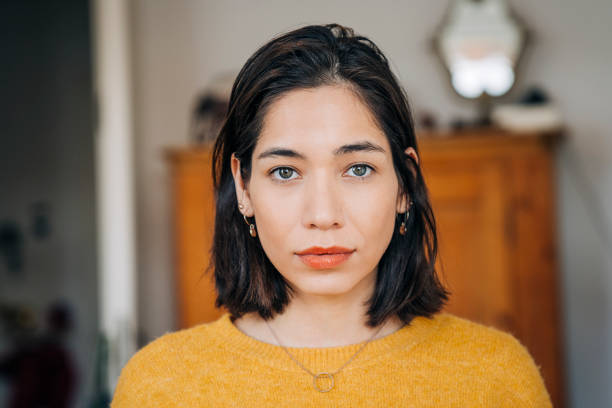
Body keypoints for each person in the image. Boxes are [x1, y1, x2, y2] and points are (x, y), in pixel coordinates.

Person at [111, 23, 552, 407]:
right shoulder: (158, 385)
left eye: (358, 169)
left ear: (405, 184)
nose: (323, 215)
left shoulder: (495, 377)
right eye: (285, 171)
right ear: (243, 188)